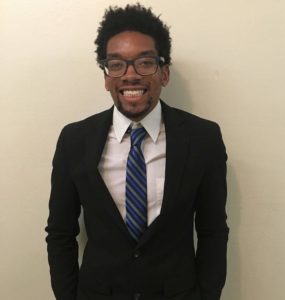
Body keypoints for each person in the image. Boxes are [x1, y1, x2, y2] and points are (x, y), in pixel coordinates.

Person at [45, 3, 229, 300]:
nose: (130, 75)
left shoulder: (202, 139)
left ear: (164, 73)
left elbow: (213, 232)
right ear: (106, 77)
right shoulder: (74, 140)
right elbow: (60, 233)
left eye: (144, 62)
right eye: (116, 64)